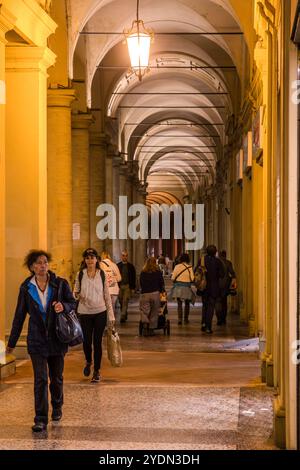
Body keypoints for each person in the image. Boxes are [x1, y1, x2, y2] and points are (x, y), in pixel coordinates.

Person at [6, 250, 76, 433]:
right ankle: (41, 419)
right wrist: (11, 343)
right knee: (40, 379)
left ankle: (58, 406)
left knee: (57, 378)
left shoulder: (60, 284)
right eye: (38, 263)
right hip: (36, 340)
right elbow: (19, 316)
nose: (42, 266)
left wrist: (64, 306)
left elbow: (73, 303)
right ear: (31, 267)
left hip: (57, 339)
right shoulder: (26, 288)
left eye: (45, 262)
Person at [73, 248, 115, 383]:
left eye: (92, 257)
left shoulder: (102, 274)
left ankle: (97, 370)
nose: (90, 260)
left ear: (97, 259)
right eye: (87, 258)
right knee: (86, 341)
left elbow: (107, 295)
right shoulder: (80, 274)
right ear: (84, 260)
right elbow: (75, 292)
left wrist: (111, 316)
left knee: (97, 342)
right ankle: (88, 361)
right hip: (84, 312)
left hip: (100, 312)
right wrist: (77, 295)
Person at [201, 245, 225, 334]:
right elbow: (222, 274)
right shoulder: (218, 261)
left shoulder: (202, 260)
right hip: (214, 287)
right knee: (211, 307)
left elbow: (197, 271)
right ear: (215, 252)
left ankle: (203, 323)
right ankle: (208, 327)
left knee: (205, 305)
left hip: (203, 287)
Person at [140, 257, 165, 336]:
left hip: (145, 294)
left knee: (144, 311)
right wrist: (161, 291)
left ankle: (145, 324)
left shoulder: (143, 272)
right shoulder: (158, 272)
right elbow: (161, 283)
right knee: (154, 312)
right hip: (155, 294)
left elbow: (141, 283)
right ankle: (151, 329)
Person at [171, 253, 195, 325]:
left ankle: (179, 319)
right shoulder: (189, 267)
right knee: (187, 303)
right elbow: (192, 278)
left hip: (178, 287)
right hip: (187, 287)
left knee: (179, 304)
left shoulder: (177, 266)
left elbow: (173, 278)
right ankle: (186, 319)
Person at [100, 251, 122, 322]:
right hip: (114, 290)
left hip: (105, 291)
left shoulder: (100, 265)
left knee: (105, 308)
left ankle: (106, 324)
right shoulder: (114, 265)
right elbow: (119, 279)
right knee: (112, 308)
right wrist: (113, 278)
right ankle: (111, 324)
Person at [117, 250, 136, 323]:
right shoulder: (118, 265)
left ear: (127, 256)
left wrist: (133, 288)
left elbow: (133, 277)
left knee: (125, 301)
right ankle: (124, 313)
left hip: (127, 286)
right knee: (121, 300)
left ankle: (122, 315)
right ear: (121, 256)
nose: (124, 257)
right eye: (123, 255)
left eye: (126, 255)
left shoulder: (131, 266)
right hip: (119, 286)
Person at [218, 250, 237, 325]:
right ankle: (223, 319)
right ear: (225, 255)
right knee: (224, 302)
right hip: (225, 285)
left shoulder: (217, 263)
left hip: (217, 285)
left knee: (218, 302)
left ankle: (219, 318)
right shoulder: (228, 263)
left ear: (219, 255)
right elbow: (232, 273)